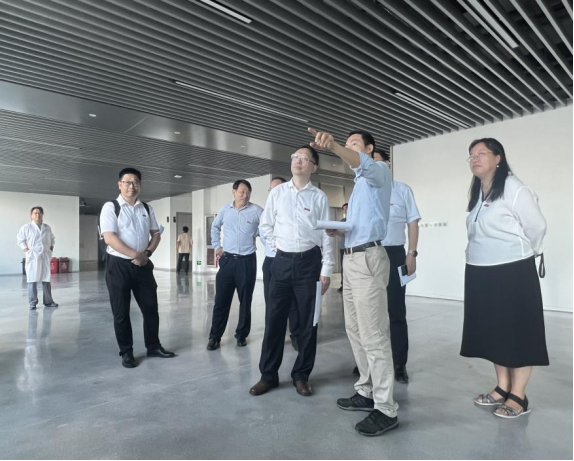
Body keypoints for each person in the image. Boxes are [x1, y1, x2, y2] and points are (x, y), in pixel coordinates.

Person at [310, 128, 399, 437]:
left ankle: (386, 408)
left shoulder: (378, 170)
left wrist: (334, 145)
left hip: (367, 259)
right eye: (346, 143)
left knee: (374, 335)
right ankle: (366, 390)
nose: (349, 148)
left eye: (354, 144)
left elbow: (361, 162)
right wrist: (340, 229)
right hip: (350, 257)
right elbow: (362, 223)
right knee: (356, 331)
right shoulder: (360, 184)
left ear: (369, 148)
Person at [461, 138, 549, 419]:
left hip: (512, 271)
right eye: (471, 155)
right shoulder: (479, 192)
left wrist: (525, 253)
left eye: (481, 153)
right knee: (495, 332)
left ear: (498, 158)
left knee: (517, 332)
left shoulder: (513, 186)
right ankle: (502, 387)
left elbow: (537, 226)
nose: (475, 158)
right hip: (480, 271)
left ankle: (519, 396)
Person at [250, 146, 334, 398]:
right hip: (281, 263)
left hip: (310, 263)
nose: (298, 161)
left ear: (313, 167)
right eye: (295, 157)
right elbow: (265, 225)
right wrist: (277, 249)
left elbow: (327, 234)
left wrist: (327, 268)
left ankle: (301, 375)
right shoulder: (277, 193)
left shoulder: (319, 197)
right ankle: (268, 376)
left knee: (308, 322)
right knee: (274, 320)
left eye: (304, 158)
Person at [100, 168, 176, 369]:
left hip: (143, 265)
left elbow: (156, 234)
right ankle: (126, 352)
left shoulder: (147, 208)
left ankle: (153, 346)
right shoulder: (111, 207)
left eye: (135, 182)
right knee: (121, 312)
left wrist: (147, 254)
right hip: (118, 265)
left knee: (151, 308)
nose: (131, 186)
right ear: (120, 184)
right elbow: (109, 237)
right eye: (127, 182)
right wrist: (135, 254)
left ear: (140, 185)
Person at [376, 149, 422, 384]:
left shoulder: (402, 190)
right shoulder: (364, 190)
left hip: (394, 253)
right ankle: (371, 360)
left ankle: (399, 363)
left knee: (396, 311)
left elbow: (413, 222)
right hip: (369, 254)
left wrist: (411, 253)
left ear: (388, 164)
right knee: (371, 312)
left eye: (378, 161)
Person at [207, 180, 263, 351]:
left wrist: (256, 233)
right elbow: (215, 227)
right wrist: (216, 246)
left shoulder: (257, 210)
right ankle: (215, 336)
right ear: (234, 192)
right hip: (227, 260)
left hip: (247, 261)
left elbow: (266, 229)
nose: (245, 195)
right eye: (242, 191)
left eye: (248, 192)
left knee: (245, 301)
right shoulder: (225, 209)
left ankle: (241, 335)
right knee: (221, 301)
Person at [261, 177, 300, 352]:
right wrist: (277, 247)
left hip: (291, 260)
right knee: (272, 301)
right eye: (271, 189)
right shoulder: (266, 211)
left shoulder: (291, 210)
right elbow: (263, 233)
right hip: (272, 261)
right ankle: (273, 336)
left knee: (293, 302)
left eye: (277, 188)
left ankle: (296, 336)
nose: (274, 192)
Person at [17, 207, 58, 310]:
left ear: (42, 215)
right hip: (32, 257)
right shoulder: (26, 227)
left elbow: (52, 238)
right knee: (32, 280)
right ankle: (32, 303)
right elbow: (20, 240)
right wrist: (27, 250)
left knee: (46, 279)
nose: (37, 215)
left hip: (44, 256)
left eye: (39, 213)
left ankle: (48, 301)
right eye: (35, 213)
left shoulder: (47, 227)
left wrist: (51, 248)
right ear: (31, 215)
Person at [338, 203, 349, 294]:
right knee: (343, 267)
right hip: (343, 247)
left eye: (347, 208)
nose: (345, 210)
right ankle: (343, 284)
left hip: (352, 248)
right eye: (344, 209)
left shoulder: (353, 220)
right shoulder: (342, 221)